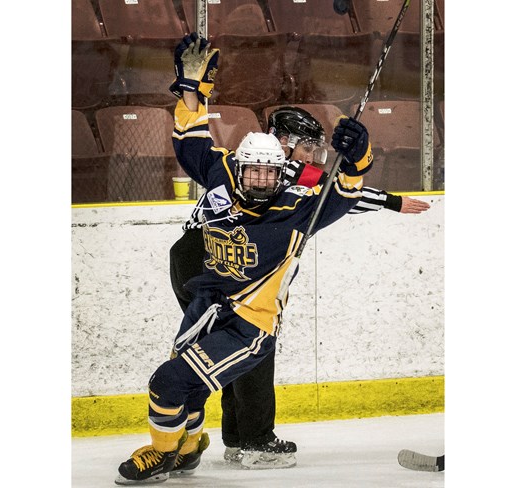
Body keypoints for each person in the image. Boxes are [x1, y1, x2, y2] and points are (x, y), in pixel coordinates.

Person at [115, 32, 373, 485]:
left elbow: (345, 191)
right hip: (207, 293)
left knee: (174, 380)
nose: (258, 179)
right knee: (186, 384)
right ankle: (189, 446)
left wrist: (358, 160)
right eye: (251, 170)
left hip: (249, 316)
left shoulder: (297, 209)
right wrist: (192, 90)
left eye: (268, 173)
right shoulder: (222, 173)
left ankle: (206, 443)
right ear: (239, 166)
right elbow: (190, 138)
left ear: (282, 175)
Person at [169, 107, 430, 469]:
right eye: (307, 147)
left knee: (223, 347)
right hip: (222, 261)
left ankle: (237, 436)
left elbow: (329, 199)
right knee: (251, 342)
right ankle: (257, 440)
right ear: (284, 142)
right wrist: (390, 201)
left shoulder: (243, 163)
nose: (311, 157)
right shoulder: (280, 170)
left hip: (194, 256)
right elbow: (334, 197)